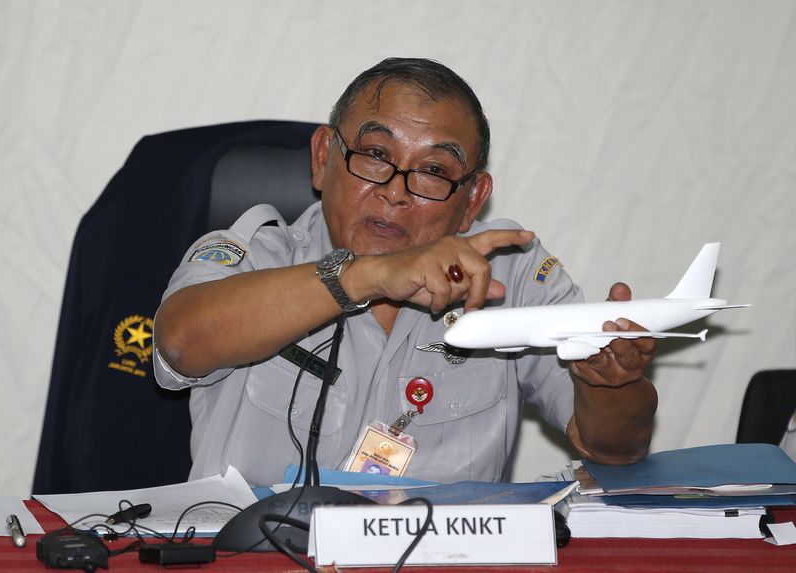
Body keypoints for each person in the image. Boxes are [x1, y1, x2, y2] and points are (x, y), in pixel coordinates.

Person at [153, 57, 658, 487]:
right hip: (263, 556)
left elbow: (614, 449)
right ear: (324, 158)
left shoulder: (508, 271)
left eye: (433, 171)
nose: (396, 191)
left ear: (472, 202)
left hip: (444, 553)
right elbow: (181, 343)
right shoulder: (257, 252)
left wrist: (610, 384)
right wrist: (362, 276)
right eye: (375, 156)